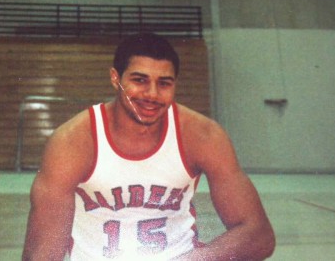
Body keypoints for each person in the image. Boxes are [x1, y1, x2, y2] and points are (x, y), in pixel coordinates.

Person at [22, 33, 275, 260]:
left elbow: (258, 235)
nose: (152, 94)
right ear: (115, 78)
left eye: (164, 83)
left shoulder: (202, 136)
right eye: (140, 80)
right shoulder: (73, 142)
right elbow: (43, 253)